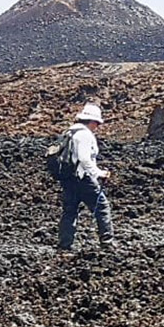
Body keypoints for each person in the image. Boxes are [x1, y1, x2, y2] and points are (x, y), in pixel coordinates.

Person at [57, 103, 115, 252]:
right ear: (92, 121)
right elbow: (84, 158)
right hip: (83, 178)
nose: (97, 126)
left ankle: (64, 245)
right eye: (97, 123)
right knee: (101, 207)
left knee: (70, 210)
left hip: (68, 178)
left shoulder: (70, 131)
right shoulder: (84, 134)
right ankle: (107, 243)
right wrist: (98, 173)